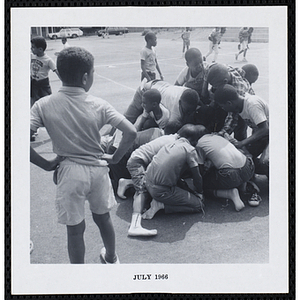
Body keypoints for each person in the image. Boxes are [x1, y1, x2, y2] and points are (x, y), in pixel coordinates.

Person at [30, 46, 137, 264]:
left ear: (59, 74)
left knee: (75, 229)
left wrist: (46, 164)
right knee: (103, 218)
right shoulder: (99, 104)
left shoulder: (43, 104)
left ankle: (78, 275)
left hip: (68, 172)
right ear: (86, 76)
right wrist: (115, 159)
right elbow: (131, 132)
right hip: (98, 169)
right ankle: (111, 257)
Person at [120, 130, 180, 236]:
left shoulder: (170, 137)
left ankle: (128, 182)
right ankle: (135, 225)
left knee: (146, 183)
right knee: (142, 190)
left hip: (140, 158)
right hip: (137, 162)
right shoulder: (172, 144)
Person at [142, 124, 205, 220]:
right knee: (198, 205)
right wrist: (200, 192)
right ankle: (162, 205)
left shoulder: (169, 145)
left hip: (147, 183)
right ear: (194, 140)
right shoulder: (189, 149)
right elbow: (197, 177)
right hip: (160, 191)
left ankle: (159, 200)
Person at [195, 125, 259, 209]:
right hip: (248, 168)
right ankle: (244, 185)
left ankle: (229, 193)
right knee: (229, 164)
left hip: (230, 175)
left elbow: (200, 169)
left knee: (202, 185)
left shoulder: (199, 143)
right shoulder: (218, 136)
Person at [214, 84, 269, 177]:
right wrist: (220, 135)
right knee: (245, 158)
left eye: (222, 106)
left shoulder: (252, 104)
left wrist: (243, 143)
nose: (223, 109)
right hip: (264, 135)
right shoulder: (238, 105)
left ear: (229, 103)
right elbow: (230, 124)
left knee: (265, 162)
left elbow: (265, 129)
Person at [198, 63, 250, 140]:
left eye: (216, 86)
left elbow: (232, 117)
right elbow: (207, 73)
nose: (214, 88)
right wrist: (205, 87)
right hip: (227, 93)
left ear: (225, 81)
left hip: (242, 109)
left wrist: (222, 134)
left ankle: (241, 144)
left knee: (240, 126)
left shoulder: (239, 91)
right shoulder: (215, 68)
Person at [124, 80, 201, 128]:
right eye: (187, 110)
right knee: (127, 120)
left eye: (192, 110)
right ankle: (113, 136)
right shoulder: (175, 115)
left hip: (160, 85)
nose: (190, 113)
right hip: (147, 91)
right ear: (180, 103)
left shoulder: (190, 93)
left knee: (147, 123)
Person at [31, 36, 61, 141]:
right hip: (33, 83)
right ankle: (33, 130)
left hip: (43, 85)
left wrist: (65, 81)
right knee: (33, 106)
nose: (31, 49)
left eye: (33, 47)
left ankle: (56, 128)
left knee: (48, 107)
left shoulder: (48, 60)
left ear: (40, 49)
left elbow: (56, 71)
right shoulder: (31, 56)